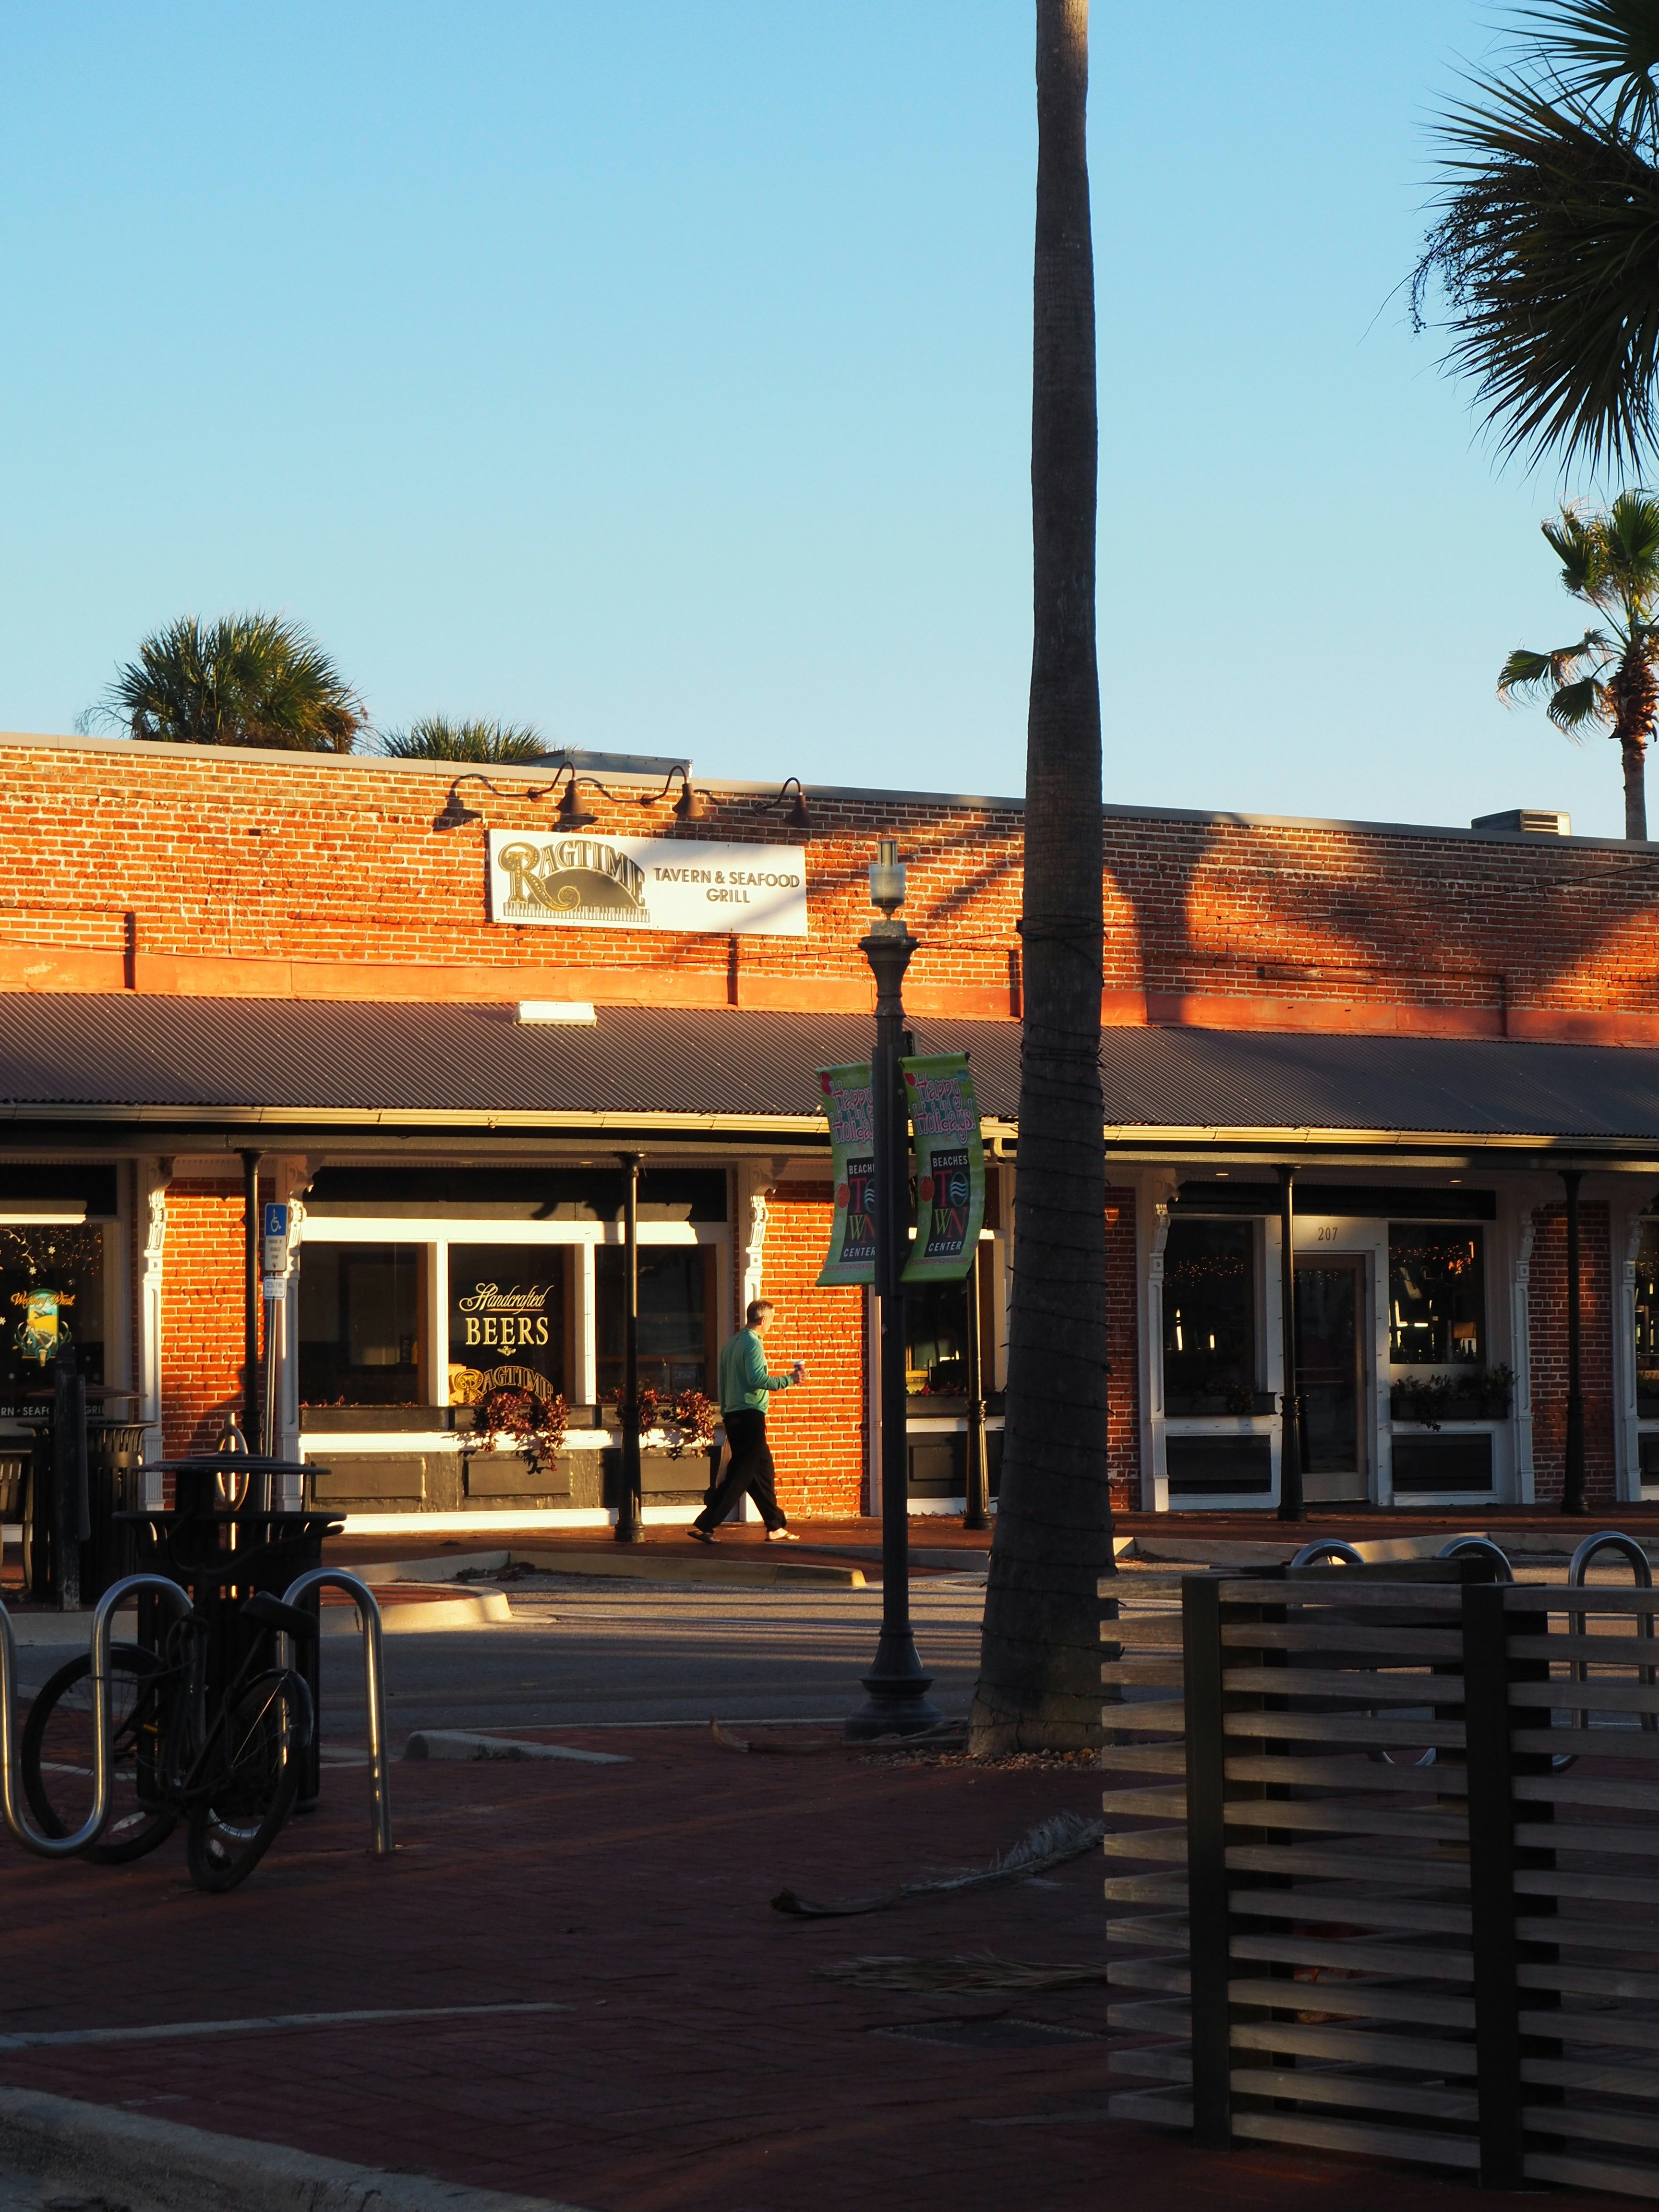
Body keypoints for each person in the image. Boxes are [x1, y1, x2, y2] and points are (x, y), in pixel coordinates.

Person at [690, 1298, 804, 1543]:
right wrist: (790, 1380)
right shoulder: (753, 1345)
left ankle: (775, 1525)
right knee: (741, 1474)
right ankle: (706, 1524)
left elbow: (722, 1382)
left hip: (733, 1413)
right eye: (771, 1321)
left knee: (762, 1472)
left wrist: (727, 1410)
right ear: (763, 1320)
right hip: (750, 1414)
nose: (772, 1326)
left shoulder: (731, 1344)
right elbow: (757, 1379)